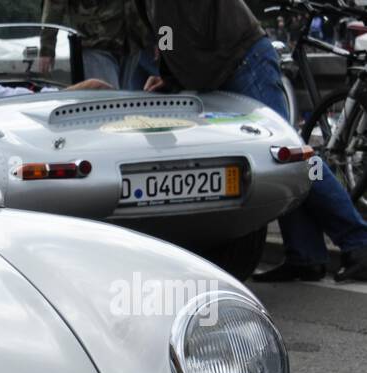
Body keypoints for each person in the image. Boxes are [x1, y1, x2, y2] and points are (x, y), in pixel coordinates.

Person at [140, 0, 367, 283]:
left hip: (243, 61)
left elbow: (170, 33)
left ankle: (359, 243)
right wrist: (168, 76)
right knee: (282, 161)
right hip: (230, 64)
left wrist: (169, 75)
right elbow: (168, 34)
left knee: (294, 157)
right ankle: (305, 255)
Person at [39, 0, 153, 91]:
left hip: (133, 43)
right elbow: (54, 4)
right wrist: (47, 47)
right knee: (108, 102)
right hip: (96, 42)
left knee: (122, 104)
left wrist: (157, 38)